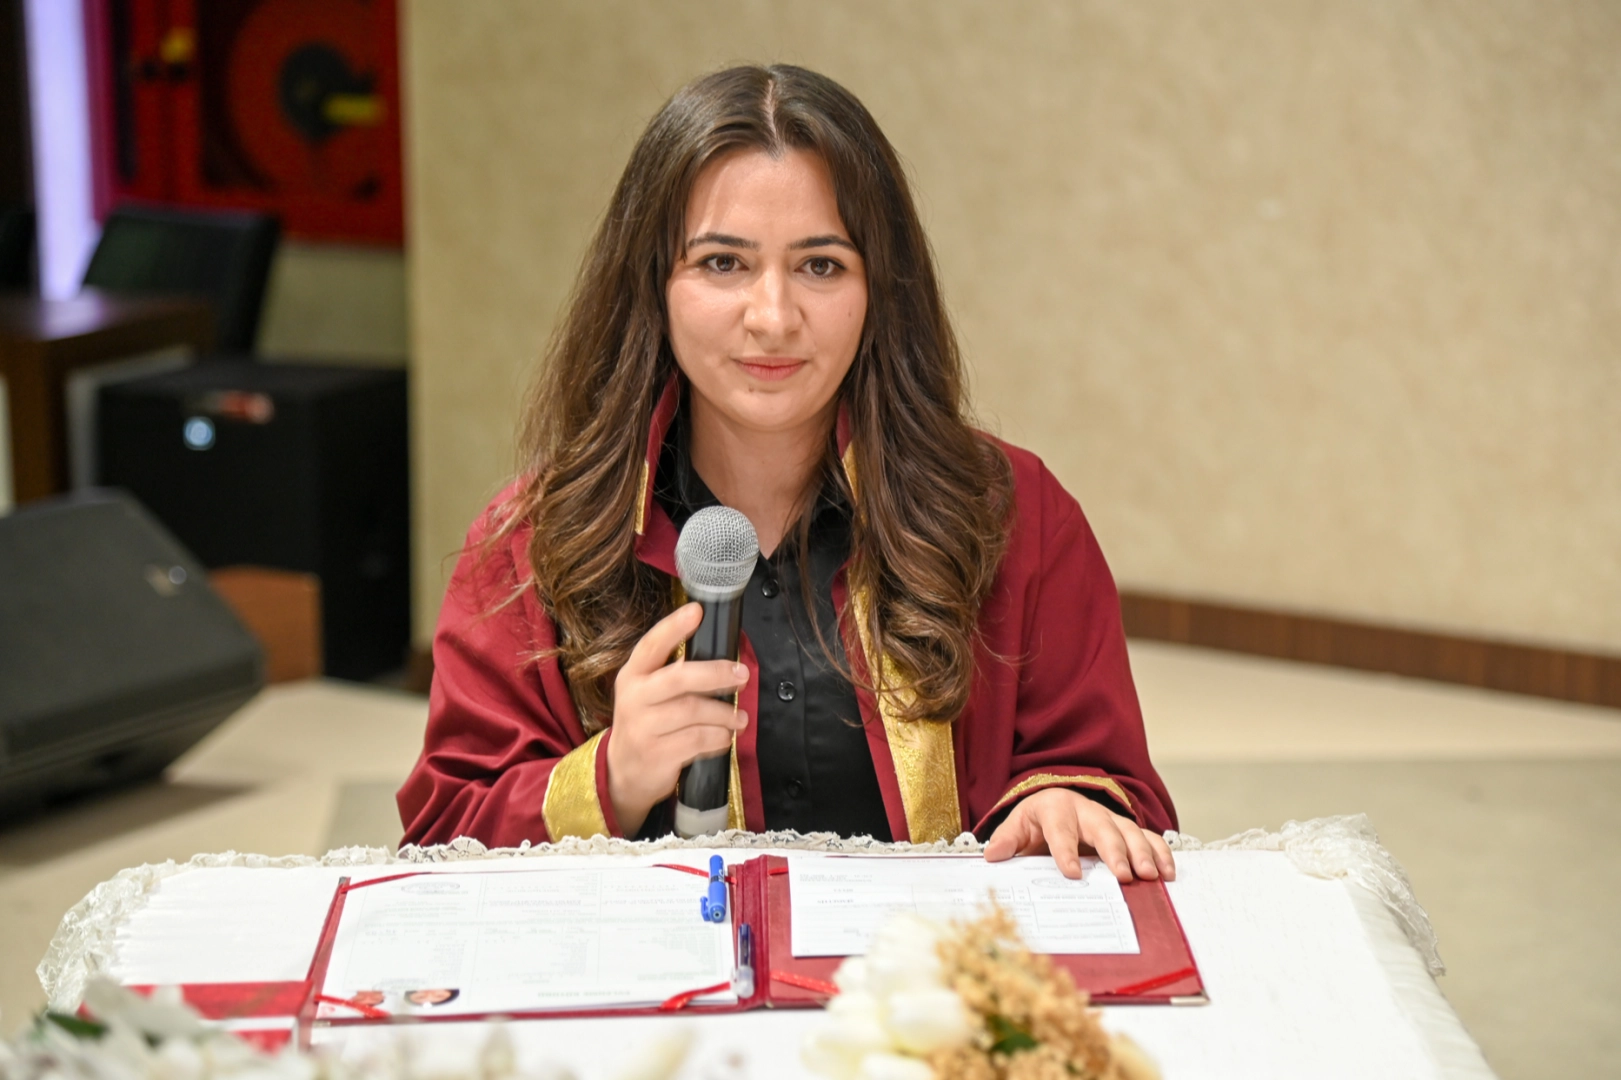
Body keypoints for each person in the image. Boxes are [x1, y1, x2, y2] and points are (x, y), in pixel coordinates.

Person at [397, 64, 1177, 883]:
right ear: (652, 284)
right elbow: (442, 836)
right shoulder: (532, 539)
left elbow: (1110, 787)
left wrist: (1063, 804)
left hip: (922, 964)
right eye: (722, 264)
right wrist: (610, 778)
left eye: (821, 266)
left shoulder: (1010, 512)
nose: (772, 318)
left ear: (880, 289)